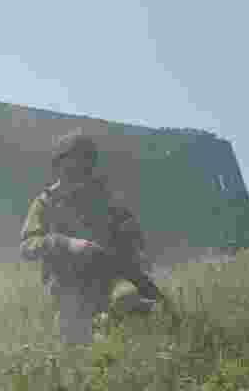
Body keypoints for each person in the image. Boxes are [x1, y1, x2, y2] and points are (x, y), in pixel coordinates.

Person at [20, 131, 155, 346]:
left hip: (106, 275)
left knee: (131, 299)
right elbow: (27, 246)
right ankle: (92, 327)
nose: (79, 173)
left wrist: (136, 248)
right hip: (66, 282)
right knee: (76, 341)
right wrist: (67, 244)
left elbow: (129, 229)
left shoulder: (103, 197)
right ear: (59, 166)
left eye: (85, 165)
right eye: (73, 166)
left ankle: (112, 324)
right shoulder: (46, 203)